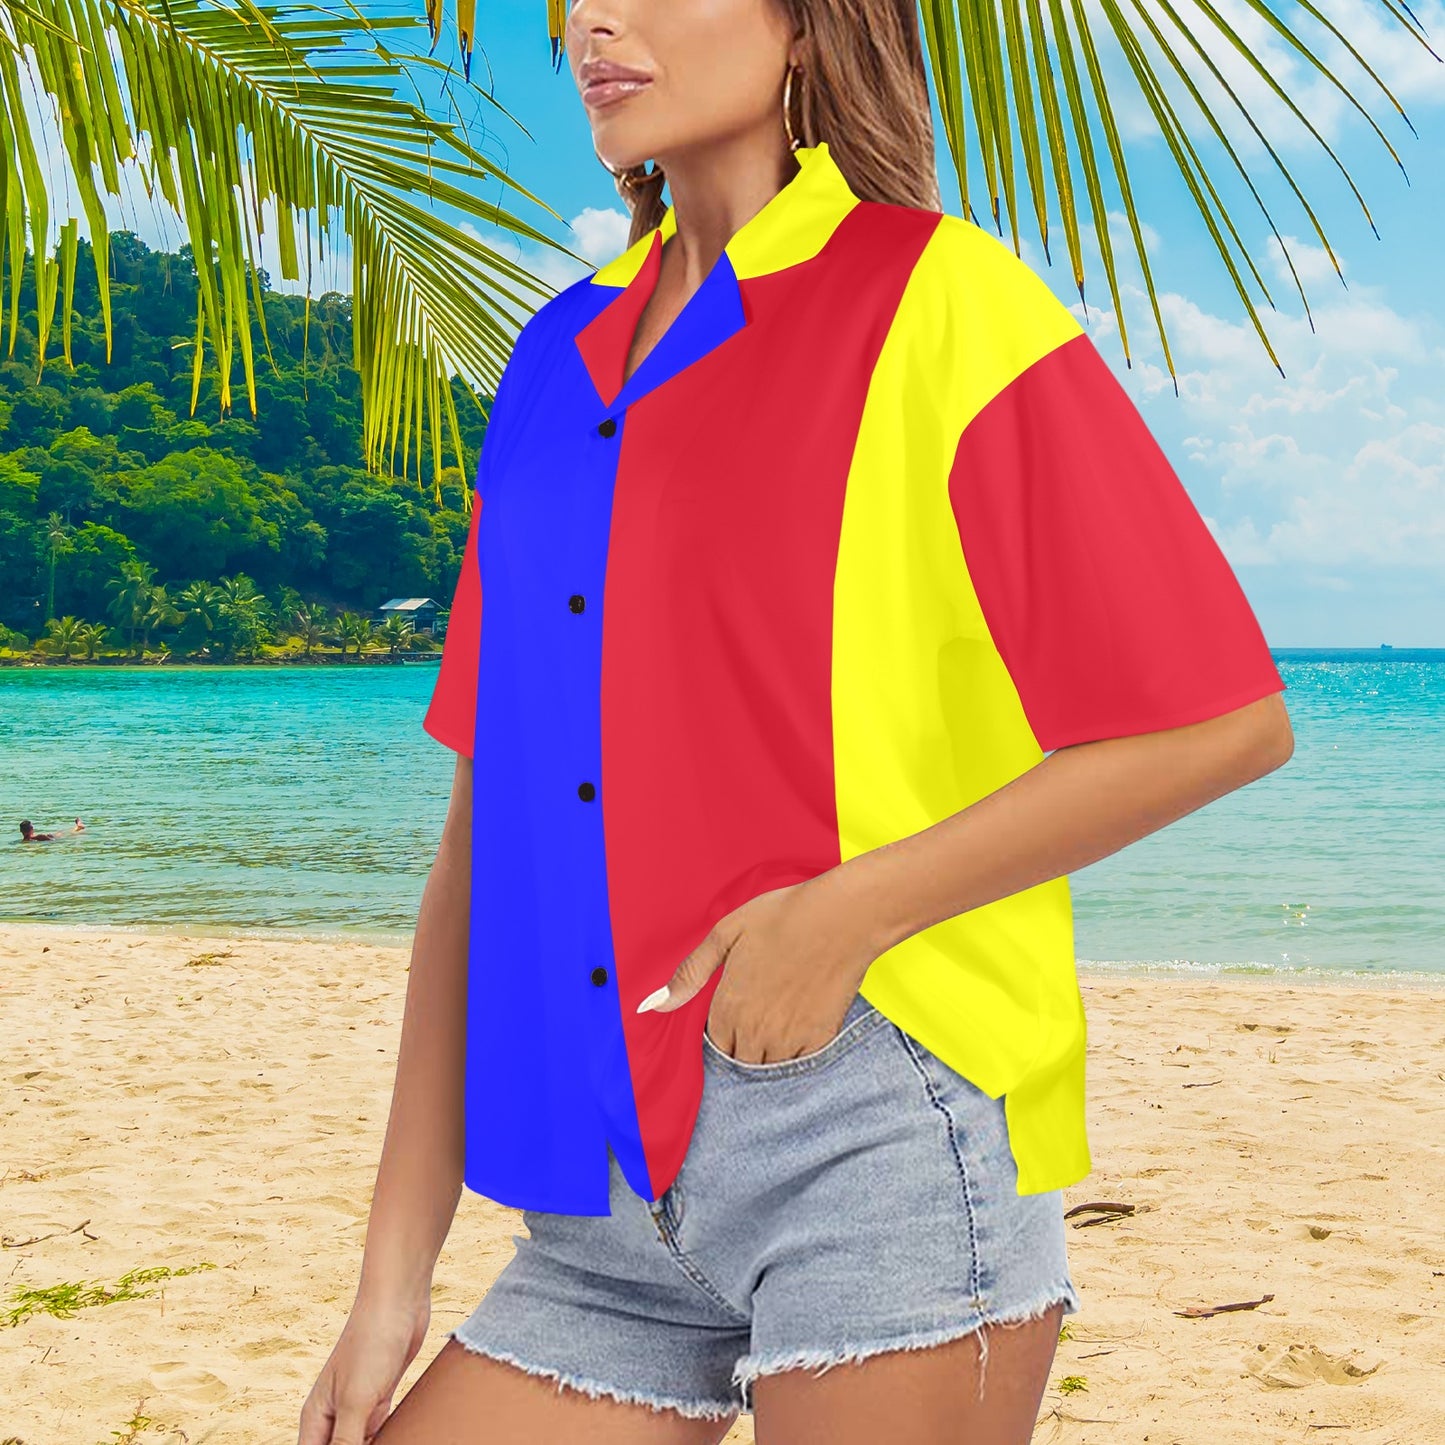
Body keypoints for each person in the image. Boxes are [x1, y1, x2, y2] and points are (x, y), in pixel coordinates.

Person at [299, 3, 1295, 1442]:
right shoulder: (551, 364)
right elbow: (484, 840)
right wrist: (392, 1276)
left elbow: (1222, 719)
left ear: (809, 28)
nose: (595, 20)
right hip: (600, 1185)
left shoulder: (945, 301)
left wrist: (842, 918)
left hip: (871, 1131)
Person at [19, 818, 85, 842]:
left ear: (21, 831)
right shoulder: (38, 836)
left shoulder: (24, 841)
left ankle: (78, 826)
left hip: (52, 836)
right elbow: (53, 841)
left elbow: (52, 841)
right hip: (53, 836)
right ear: (32, 829)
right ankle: (78, 825)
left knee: (69, 833)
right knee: (68, 832)